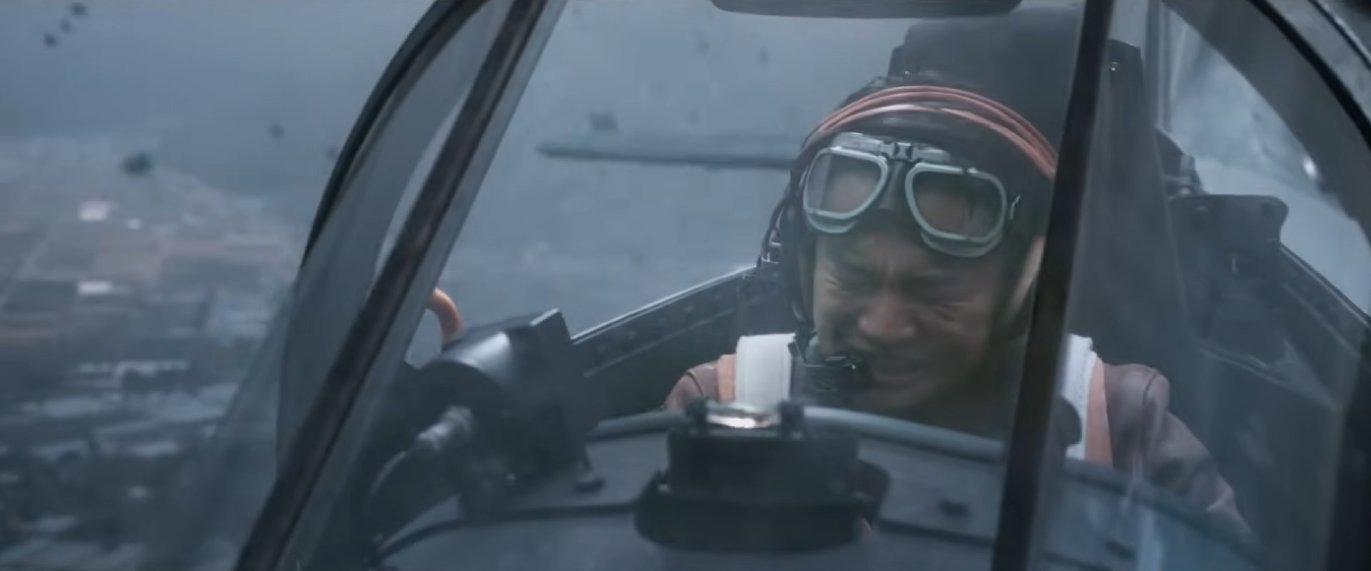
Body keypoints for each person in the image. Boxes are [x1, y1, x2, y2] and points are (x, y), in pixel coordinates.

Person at [661, 71, 1249, 534]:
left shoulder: (1120, 426)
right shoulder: (718, 406)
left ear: (1023, 289)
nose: (883, 325)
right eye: (854, 279)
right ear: (803, 267)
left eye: (933, 292)